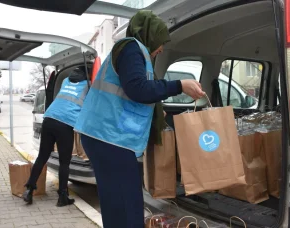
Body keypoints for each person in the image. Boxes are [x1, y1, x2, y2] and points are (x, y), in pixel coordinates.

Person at [74, 10, 205, 228]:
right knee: (127, 206)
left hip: (106, 137)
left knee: (117, 205)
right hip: (109, 138)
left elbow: (132, 92)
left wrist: (157, 112)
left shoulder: (135, 52)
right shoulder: (132, 48)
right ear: (150, 34)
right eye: (161, 42)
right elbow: (138, 89)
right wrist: (179, 85)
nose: (161, 48)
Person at [23, 67, 89, 207]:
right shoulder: (87, 85)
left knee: (42, 156)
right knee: (64, 162)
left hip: (49, 118)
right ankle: (62, 197)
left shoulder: (65, 80)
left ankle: (29, 190)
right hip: (65, 123)